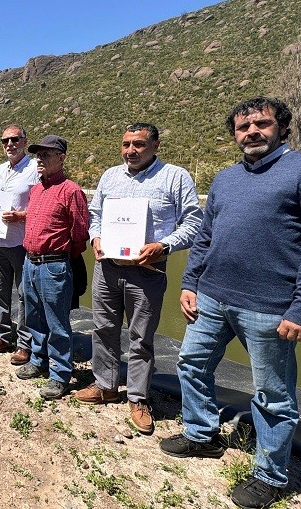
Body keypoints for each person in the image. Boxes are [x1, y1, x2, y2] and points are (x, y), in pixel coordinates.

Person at [159, 97, 301, 509]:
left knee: (273, 393)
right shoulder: (226, 178)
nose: (251, 132)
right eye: (242, 127)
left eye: (261, 124)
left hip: (270, 306)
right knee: (191, 363)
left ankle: (270, 475)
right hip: (212, 296)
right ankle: (201, 435)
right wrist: (190, 282)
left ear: (281, 127)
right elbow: (205, 238)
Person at [82, 122, 202, 435]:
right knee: (104, 329)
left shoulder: (175, 177)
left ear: (155, 146)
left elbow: (193, 223)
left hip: (147, 271)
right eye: (126, 144)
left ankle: (137, 397)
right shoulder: (109, 175)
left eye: (138, 144)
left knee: (141, 337)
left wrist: (165, 245)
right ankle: (106, 385)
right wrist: (95, 237)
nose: (131, 151)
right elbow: (95, 215)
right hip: (107, 267)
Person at [15, 135, 89, 400]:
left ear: (62, 158)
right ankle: (38, 359)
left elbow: (80, 235)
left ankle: (59, 374)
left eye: (47, 154)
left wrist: (61, 256)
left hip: (54, 265)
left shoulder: (72, 191)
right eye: (38, 155)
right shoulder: (36, 189)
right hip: (29, 261)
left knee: (57, 322)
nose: (40, 159)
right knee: (34, 316)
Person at [0, 125, 38, 365]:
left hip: (22, 243)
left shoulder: (35, 168)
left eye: (15, 139)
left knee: (25, 294)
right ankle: (2, 336)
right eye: (5, 140)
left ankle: (25, 344)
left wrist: (21, 216)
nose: (10, 144)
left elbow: (40, 204)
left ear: (24, 141)